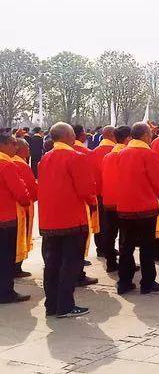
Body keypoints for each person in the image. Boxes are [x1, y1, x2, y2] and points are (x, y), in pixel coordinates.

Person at [37, 122, 94, 316]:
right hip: (71, 219)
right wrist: (93, 203)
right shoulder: (75, 157)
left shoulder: (44, 159)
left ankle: (51, 305)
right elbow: (85, 189)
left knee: (51, 265)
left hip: (49, 221)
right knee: (70, 264)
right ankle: (65, 305)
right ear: (69, 137)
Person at [116, 122, 159, 294]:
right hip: (145, 207)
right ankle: (147, 282)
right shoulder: (149, 154)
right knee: (147, 246)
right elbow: (158, 183)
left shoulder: (121, 153)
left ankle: (124, 282)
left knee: (126, 246)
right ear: (145, 135)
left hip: (125, 206)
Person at [0, 132, 31, 303]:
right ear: (3, 145)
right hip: (7, 218)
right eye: (12, 143)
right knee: (6, 257)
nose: (16, 146)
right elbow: (21, 194)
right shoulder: (7, 165)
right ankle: (5, 292)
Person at [101, 126, 130, 272]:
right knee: (125, 236)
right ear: (127, 138)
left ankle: (111, 263)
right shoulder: (126, 155)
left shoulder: (108, 156)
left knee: (110, 233)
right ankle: (126, 264)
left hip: (108, 200)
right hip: (124, 200)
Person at [12, 138, 37, 278]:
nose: (29, 150)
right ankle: (16, 267)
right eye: (27, 147)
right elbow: (32, 189)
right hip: (22, 208)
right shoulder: (20, 164)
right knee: (20, 235)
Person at [90, 126, 116, 258]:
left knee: (99, 221)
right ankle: (108, 248)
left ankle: (100, 247)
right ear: (112, 135)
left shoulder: (94, 152)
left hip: (97, 192)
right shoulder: (115, 151)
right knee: (111, 225)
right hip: (111, 193)